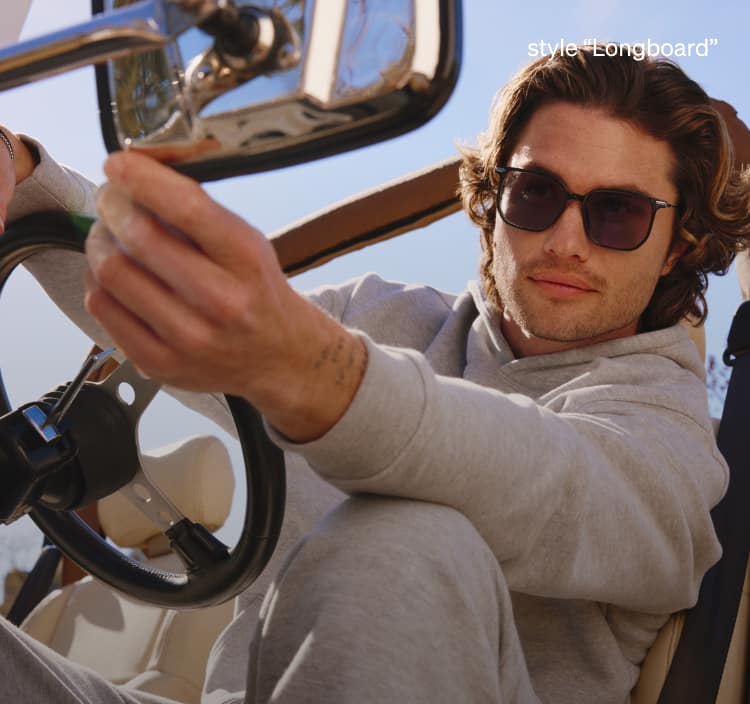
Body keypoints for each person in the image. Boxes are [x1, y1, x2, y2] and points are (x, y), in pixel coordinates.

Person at [1, 44, 750, 703]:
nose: (564, 240)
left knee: (405, 541)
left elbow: (553, 487)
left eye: (617, 213)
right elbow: (185, 317)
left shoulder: (669, 436)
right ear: (492, 202)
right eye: (537, 192)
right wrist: (28, 182)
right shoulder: (382, 318)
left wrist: (313, 372)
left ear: (679, 245)